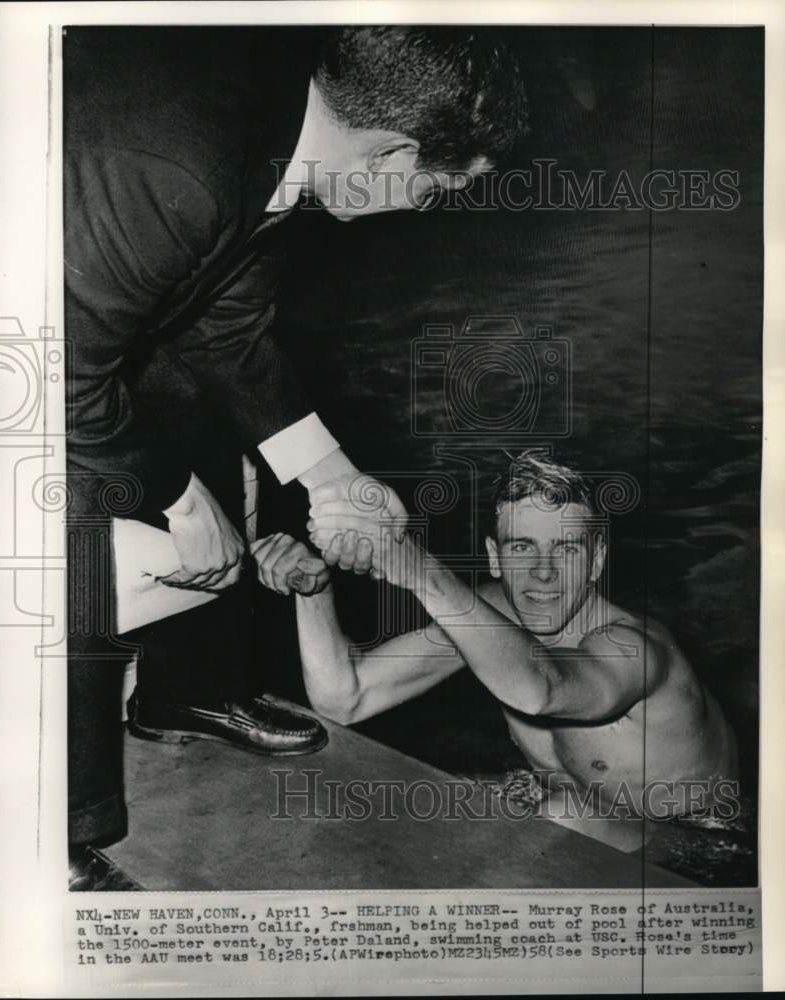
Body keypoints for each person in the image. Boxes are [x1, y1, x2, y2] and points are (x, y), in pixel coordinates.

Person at [64, 26, 529, 849]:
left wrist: (332, 475)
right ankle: (69, 826)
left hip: (63, 311)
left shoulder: (285, 136)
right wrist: (177, 500)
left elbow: (224, 327)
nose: (420, 213)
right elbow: (48, 369)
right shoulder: (178, 164)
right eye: (433, 192)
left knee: (192, 399)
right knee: (68, 518)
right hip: (30, 347)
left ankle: (187, 690)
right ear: (394, 155)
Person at [259, 451, 739, 852]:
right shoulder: (492, 614)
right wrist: (313, 592)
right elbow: (346, 697)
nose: (543, 572)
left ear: (596, 561)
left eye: (567, 549)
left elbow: (543, 689)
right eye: (522, 547)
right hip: (571, 806)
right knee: (423, 802)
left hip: (700, 847)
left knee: (560, 816)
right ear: (494, 556)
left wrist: (417, 569)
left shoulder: (634, 650)